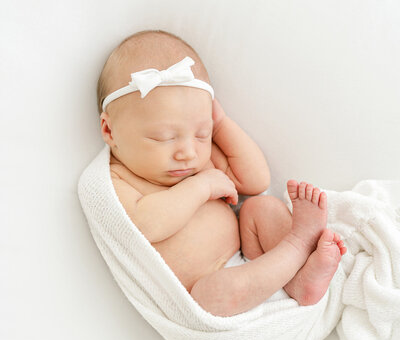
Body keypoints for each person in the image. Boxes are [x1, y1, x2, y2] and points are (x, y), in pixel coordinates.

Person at [97, 29, 346, 317]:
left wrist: (221, 126)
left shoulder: (200, 160)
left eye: (201, 134)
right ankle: (298, 246)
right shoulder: (118, 179)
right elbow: (147, 226)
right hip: (204, 290)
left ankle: (300, 276)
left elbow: (255, 181)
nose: (187, 152)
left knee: (260, 207)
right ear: (109, 130)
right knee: (210, 295)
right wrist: (202, 186)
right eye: (163, 138)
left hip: (249, 256)